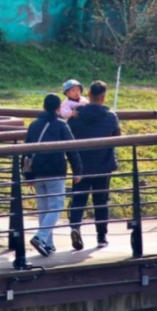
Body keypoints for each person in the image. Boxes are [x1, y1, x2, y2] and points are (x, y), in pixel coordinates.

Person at [24, 93, 81, 257]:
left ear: (43, 107)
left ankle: (48, 245)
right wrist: (77, 171)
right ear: (58, 108)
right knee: (56, 207)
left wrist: (28, 176)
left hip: (37, 171)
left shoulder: (34, 124)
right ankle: (40, 237)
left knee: (43, 208)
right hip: (55, 171)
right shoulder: (61, 125)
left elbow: (26, 150)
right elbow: (72, 149)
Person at [67, 80, 122, 250]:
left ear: (88, 95)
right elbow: (117, 137)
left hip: (80, 165)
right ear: (103, 97)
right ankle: (101, 237)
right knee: (101, 201)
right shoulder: (111, 116)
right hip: (103, 165)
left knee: (78, 199)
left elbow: (68, 135)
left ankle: (75, 226)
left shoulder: (75, 114)